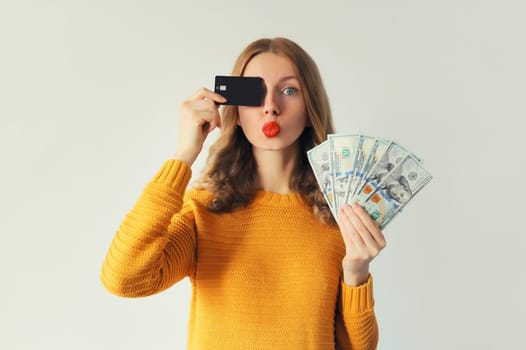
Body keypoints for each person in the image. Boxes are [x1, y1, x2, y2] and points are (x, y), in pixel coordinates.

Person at [100, 37, 386, 349]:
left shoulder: (338, 218)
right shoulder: (204, 212)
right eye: (255, 93)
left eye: (289, 90)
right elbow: (124, 279)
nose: (271, 107)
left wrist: (356, 272)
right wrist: (184, 153)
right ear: (234, 108)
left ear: (310, 108)